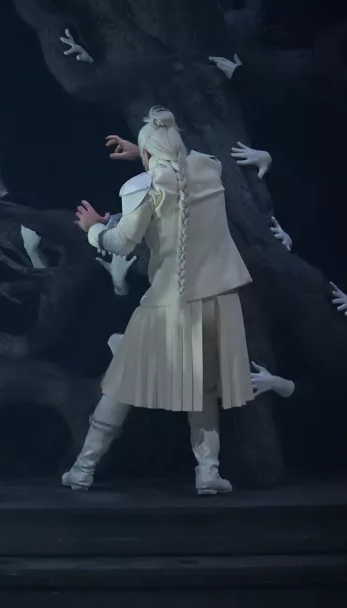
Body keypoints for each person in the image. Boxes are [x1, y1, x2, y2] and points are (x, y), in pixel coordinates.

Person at [66, 106, 254, 495]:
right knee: (203, 389)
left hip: (168, 301)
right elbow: (188, 157)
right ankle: (208, 472)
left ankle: (83, 470)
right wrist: (147, 151)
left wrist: (93, 228)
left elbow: (121, 242)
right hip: (216, 299)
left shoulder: (146, 187)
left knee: (121, 384)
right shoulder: (209, 169)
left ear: (150, 152)